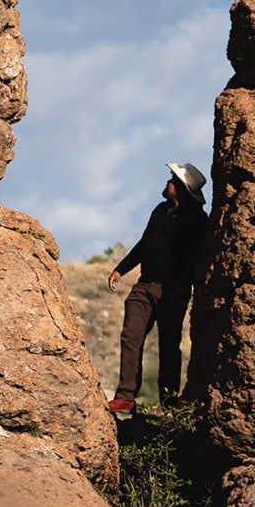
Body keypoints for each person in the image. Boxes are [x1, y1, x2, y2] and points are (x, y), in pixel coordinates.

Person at [107, 162, 209, 418]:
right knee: (131, 338)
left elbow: (200, 257)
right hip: (144, 286)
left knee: (169, 346)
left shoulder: (197, 220)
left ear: (182, 190)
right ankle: (125, 397)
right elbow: (144, 244)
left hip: (174, 290)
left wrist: (186, 288)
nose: (167, 183)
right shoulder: (159, 210)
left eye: (172, 181)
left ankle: (170, 403)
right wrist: (120, 269)